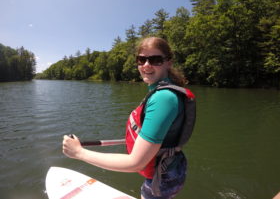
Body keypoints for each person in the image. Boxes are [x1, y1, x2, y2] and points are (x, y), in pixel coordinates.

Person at [62, 37, 194, 199]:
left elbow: (135, 163)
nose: (146, 65)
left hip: (160, 181)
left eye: (155, 60)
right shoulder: (163, 92)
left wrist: (78, 152)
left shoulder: (163, 98)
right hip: (170, 172)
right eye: (141, 59)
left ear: (168, 63)